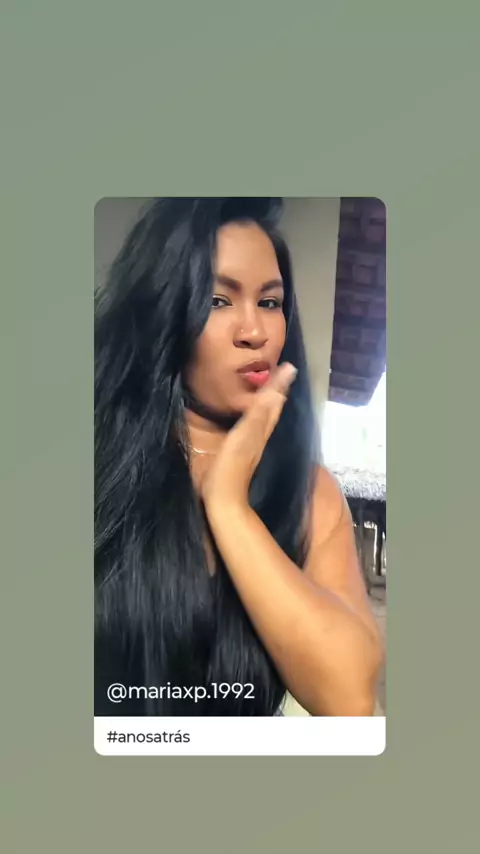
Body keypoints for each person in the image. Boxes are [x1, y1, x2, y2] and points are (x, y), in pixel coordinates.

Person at [94, 197, 383, 717]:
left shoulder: (311, 494)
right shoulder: (97, 460)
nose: (255, 332)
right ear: (164, 308)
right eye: (218, 300)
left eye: (270, 302)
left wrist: (228, 504)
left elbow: (349, 700)